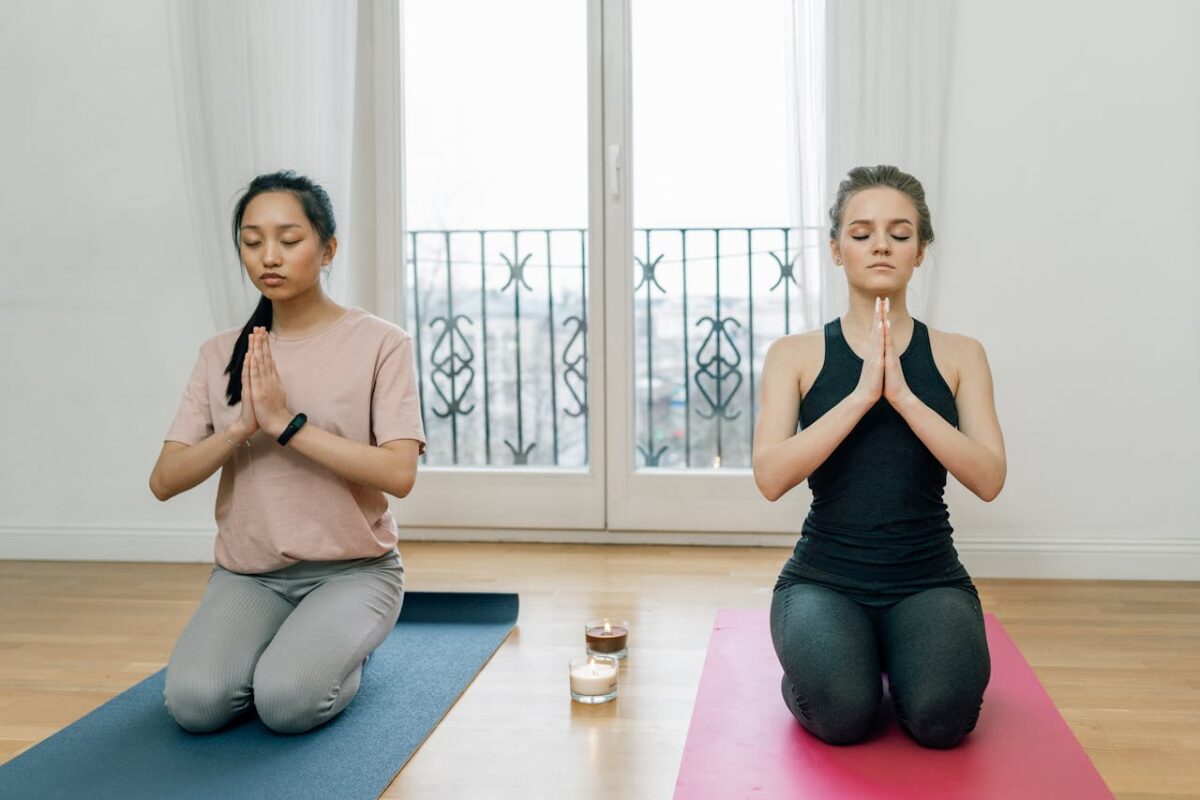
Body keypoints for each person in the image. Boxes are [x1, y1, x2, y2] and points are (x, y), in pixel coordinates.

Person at [149, 171, 426, 734]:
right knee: (195, 705)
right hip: (250, 576)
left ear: (327, 249)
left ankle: (339, 649)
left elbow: (399, 474)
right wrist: (240, 430)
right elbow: (164, 479)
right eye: (252, 242)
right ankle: (290, 643)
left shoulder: (381, 343)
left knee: (286, 705)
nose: (268, 256)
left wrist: (285, 426)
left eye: (289, 240)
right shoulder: (220, 353)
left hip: (354, 572)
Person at [752, 165, 1006, 748]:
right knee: (842, 716)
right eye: (862, 233)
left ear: (920, 251)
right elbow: (771, 477)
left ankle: (894, 648)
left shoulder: (961, 354)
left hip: (929, 578)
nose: (881, 245)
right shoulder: (794, 355)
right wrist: (864, 394)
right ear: (837, 249)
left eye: (900, 232)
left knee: (944, 723)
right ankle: (840, 661)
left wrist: (906, 397)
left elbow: (989, 478)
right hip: (823, 580)